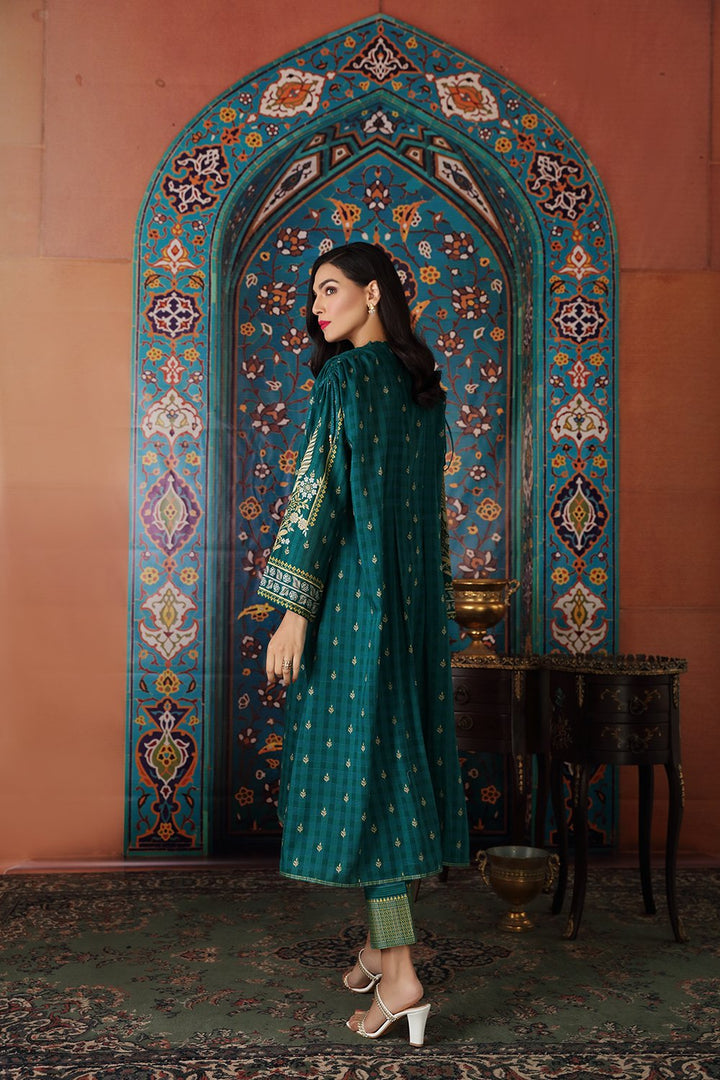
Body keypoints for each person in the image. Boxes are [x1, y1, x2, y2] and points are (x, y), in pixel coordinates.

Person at [258, 241, 469, 1046]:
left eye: (329, 289)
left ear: (373, 293)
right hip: (413, 611)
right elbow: (429, 518)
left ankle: (403, 976)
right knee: (392, 769)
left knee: (372, 785)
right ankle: (381, 949)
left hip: (353, 608)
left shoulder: (345, 379)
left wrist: (294, 610)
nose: (316, 306)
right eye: (312, 294)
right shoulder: (424, 392)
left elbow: (317, 495)